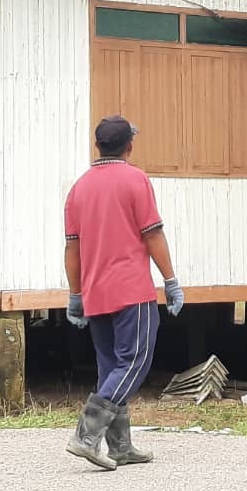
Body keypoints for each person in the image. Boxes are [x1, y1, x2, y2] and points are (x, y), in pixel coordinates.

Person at [63, 115, 185, 470]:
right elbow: (152, 234)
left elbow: (73, 248)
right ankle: (86, 436)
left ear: (97, 144)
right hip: (132, 290)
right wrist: (171, 280)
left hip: (96, 292)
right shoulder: (136, 180)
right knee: (135, 362)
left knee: (110, 368)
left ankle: (120, 446)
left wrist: (76, 294)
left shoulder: (79, 188)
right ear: (129, 145)